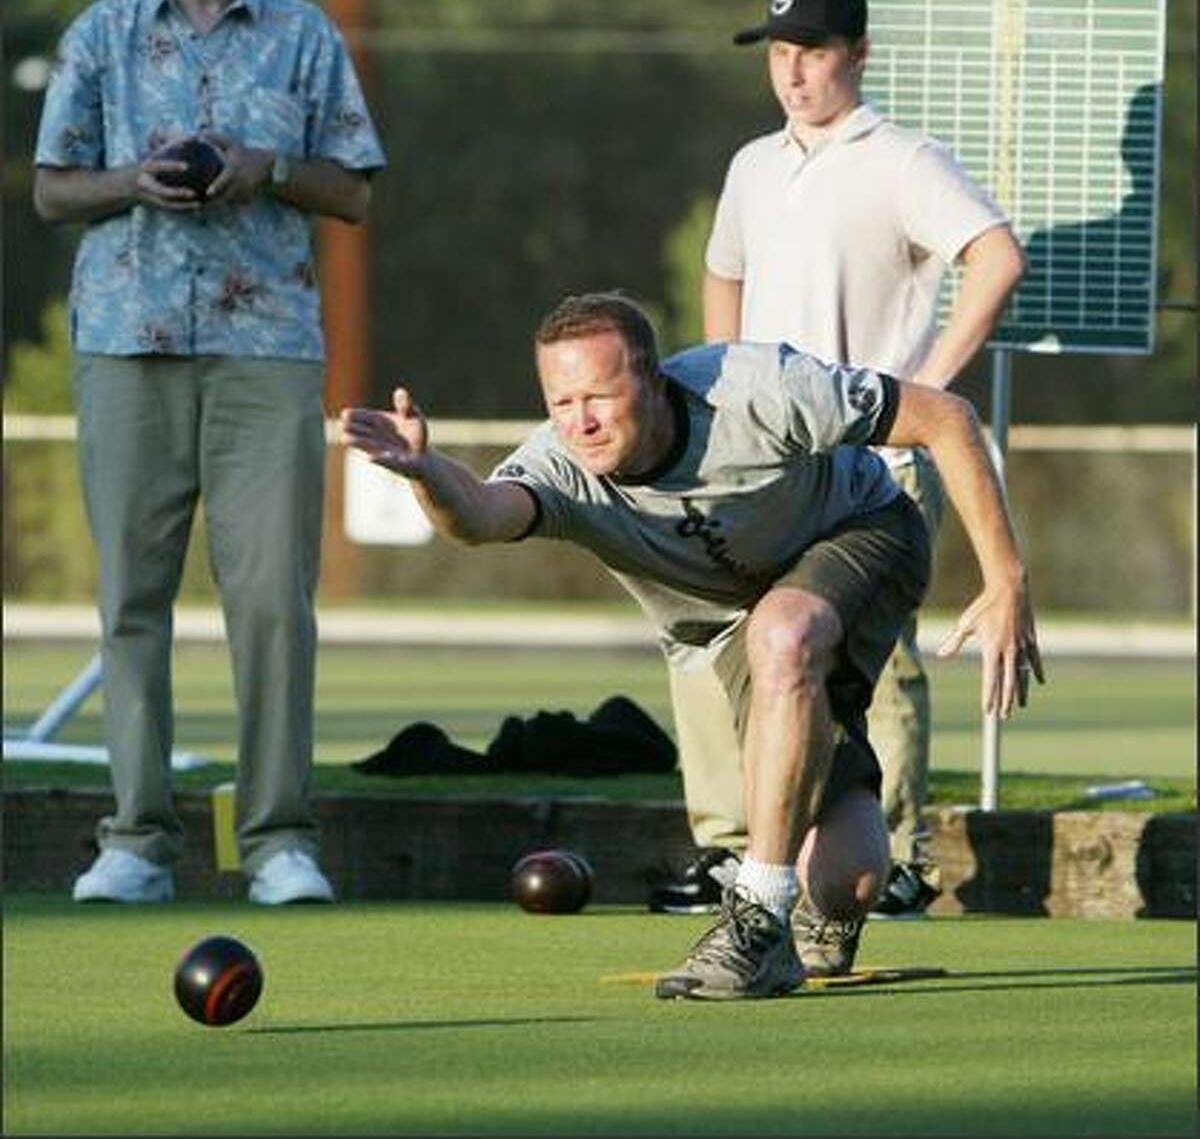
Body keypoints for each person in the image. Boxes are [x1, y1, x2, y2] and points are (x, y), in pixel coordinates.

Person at [341, 292, 1042, 1000]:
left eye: (601, 397)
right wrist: (430, 475)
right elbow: (484, 516)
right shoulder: (562, 464)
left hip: (864, 533)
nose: (580, 421)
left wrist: (1006, 578)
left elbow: (945, 417)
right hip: (744, 617)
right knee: (848, 879)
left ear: (652, 380)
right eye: (562, 402)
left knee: (785, 632)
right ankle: (814, 898)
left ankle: (756, 921)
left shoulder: (755, 389)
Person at [33, 0, 386, 905]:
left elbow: (357, 193)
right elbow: (53, 190)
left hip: (267, 351)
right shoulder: (100, 31)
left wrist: (267, 167)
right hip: (124, 343)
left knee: (273, 602)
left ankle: (277, 839)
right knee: (130, 601)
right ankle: (136, 840)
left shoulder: (303, 35)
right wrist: (131, 181)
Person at [657, 0, 1027, 954]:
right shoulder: (751, 165)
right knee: (750, 640)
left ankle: (892, 853)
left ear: (858, 54)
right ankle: (747, 850)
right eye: (781, 52)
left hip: (879, 443)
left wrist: (929, 389)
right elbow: (722, 271)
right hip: (769, 455)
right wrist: (713, 404)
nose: (794, 71)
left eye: (813, 51)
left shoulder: (902, 159)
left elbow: (996, 255)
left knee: (877, 657)